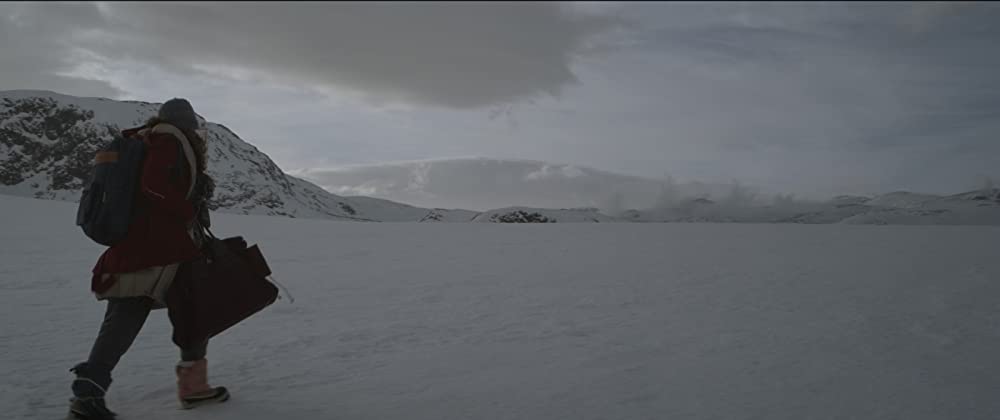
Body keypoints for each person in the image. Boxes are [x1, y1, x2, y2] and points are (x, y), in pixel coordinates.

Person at [69, 99, 228, 420]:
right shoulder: (169, 139)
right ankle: (86, 397)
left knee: (193, 311)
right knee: (127, 313)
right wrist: (185, 208)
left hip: (169, 246)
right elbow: (153, 185)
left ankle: (194, 389)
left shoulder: (154, 138)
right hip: (155, 247)